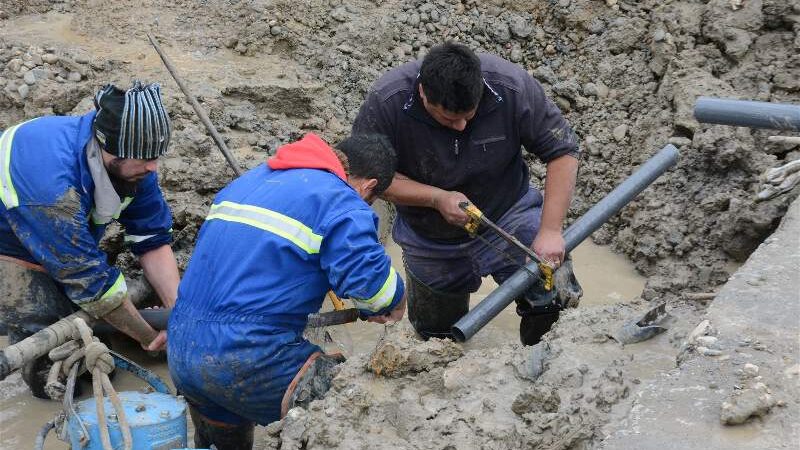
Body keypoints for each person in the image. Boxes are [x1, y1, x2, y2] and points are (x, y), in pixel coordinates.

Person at [168, 133, 406, 449]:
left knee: (223, 435)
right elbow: (375, 291)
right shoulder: (340, 199)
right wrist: (398, 299)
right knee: (352, 405)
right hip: (249, 355)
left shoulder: (250, 182)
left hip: (182, 346)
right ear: (369, 186)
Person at [353, 42, 582, 345]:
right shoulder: (388, 102)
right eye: (448, 120)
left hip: (508, 216)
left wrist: (551, 230)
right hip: (430, 237)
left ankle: (539, 363)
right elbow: (364, 179)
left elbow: (563, 152)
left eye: (469, 117)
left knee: (553, 301)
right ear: (423, 94)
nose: (460, 127)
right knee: (435, 339)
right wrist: (436, 198)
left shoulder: (509, 86)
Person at [0, 81, 180, 398]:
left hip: (53, 233)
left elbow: (151, 237)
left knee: (97, 327)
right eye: (144, 159)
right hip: (9, 242)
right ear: (109, 146)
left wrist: (179, 313)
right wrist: (148, 336)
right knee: (54, 372)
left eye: (156, 156)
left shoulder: (133, 164)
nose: (153, 167)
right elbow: (93, 285)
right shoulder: (53, 189)